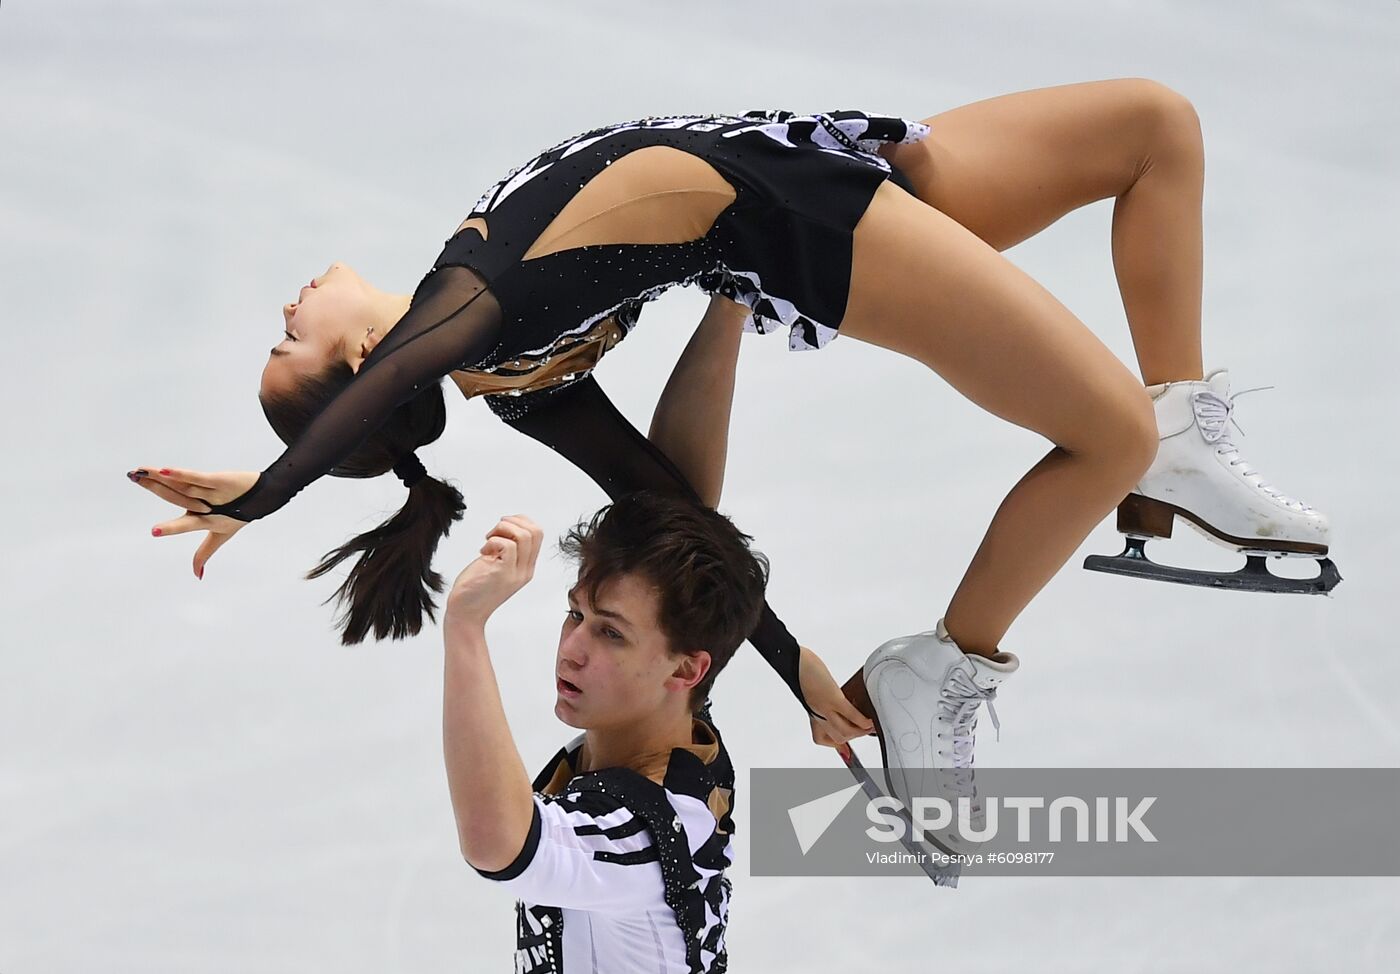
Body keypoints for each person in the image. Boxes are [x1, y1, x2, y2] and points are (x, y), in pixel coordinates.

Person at [131, 79, 1336, 819]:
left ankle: (1173, 454)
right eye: (290, 340)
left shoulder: (512, 373)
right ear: (353, 370)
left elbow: (675, 512)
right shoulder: (469, 306)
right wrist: (269, 498)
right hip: (800, 220)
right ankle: (944, 665)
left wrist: (790, 662)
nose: (288, 305)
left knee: (1149, 125)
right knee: (1103, 429)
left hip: (812, 157)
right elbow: (406, 373)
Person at [440, 493, 762, 973]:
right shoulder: (684, 732)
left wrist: (466, 624)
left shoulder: (642, 836)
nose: (571, 649)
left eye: (611, 634)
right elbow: (678, 491)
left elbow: (497, 842)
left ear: (686, 668)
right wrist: (792, 663)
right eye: (576, 614)